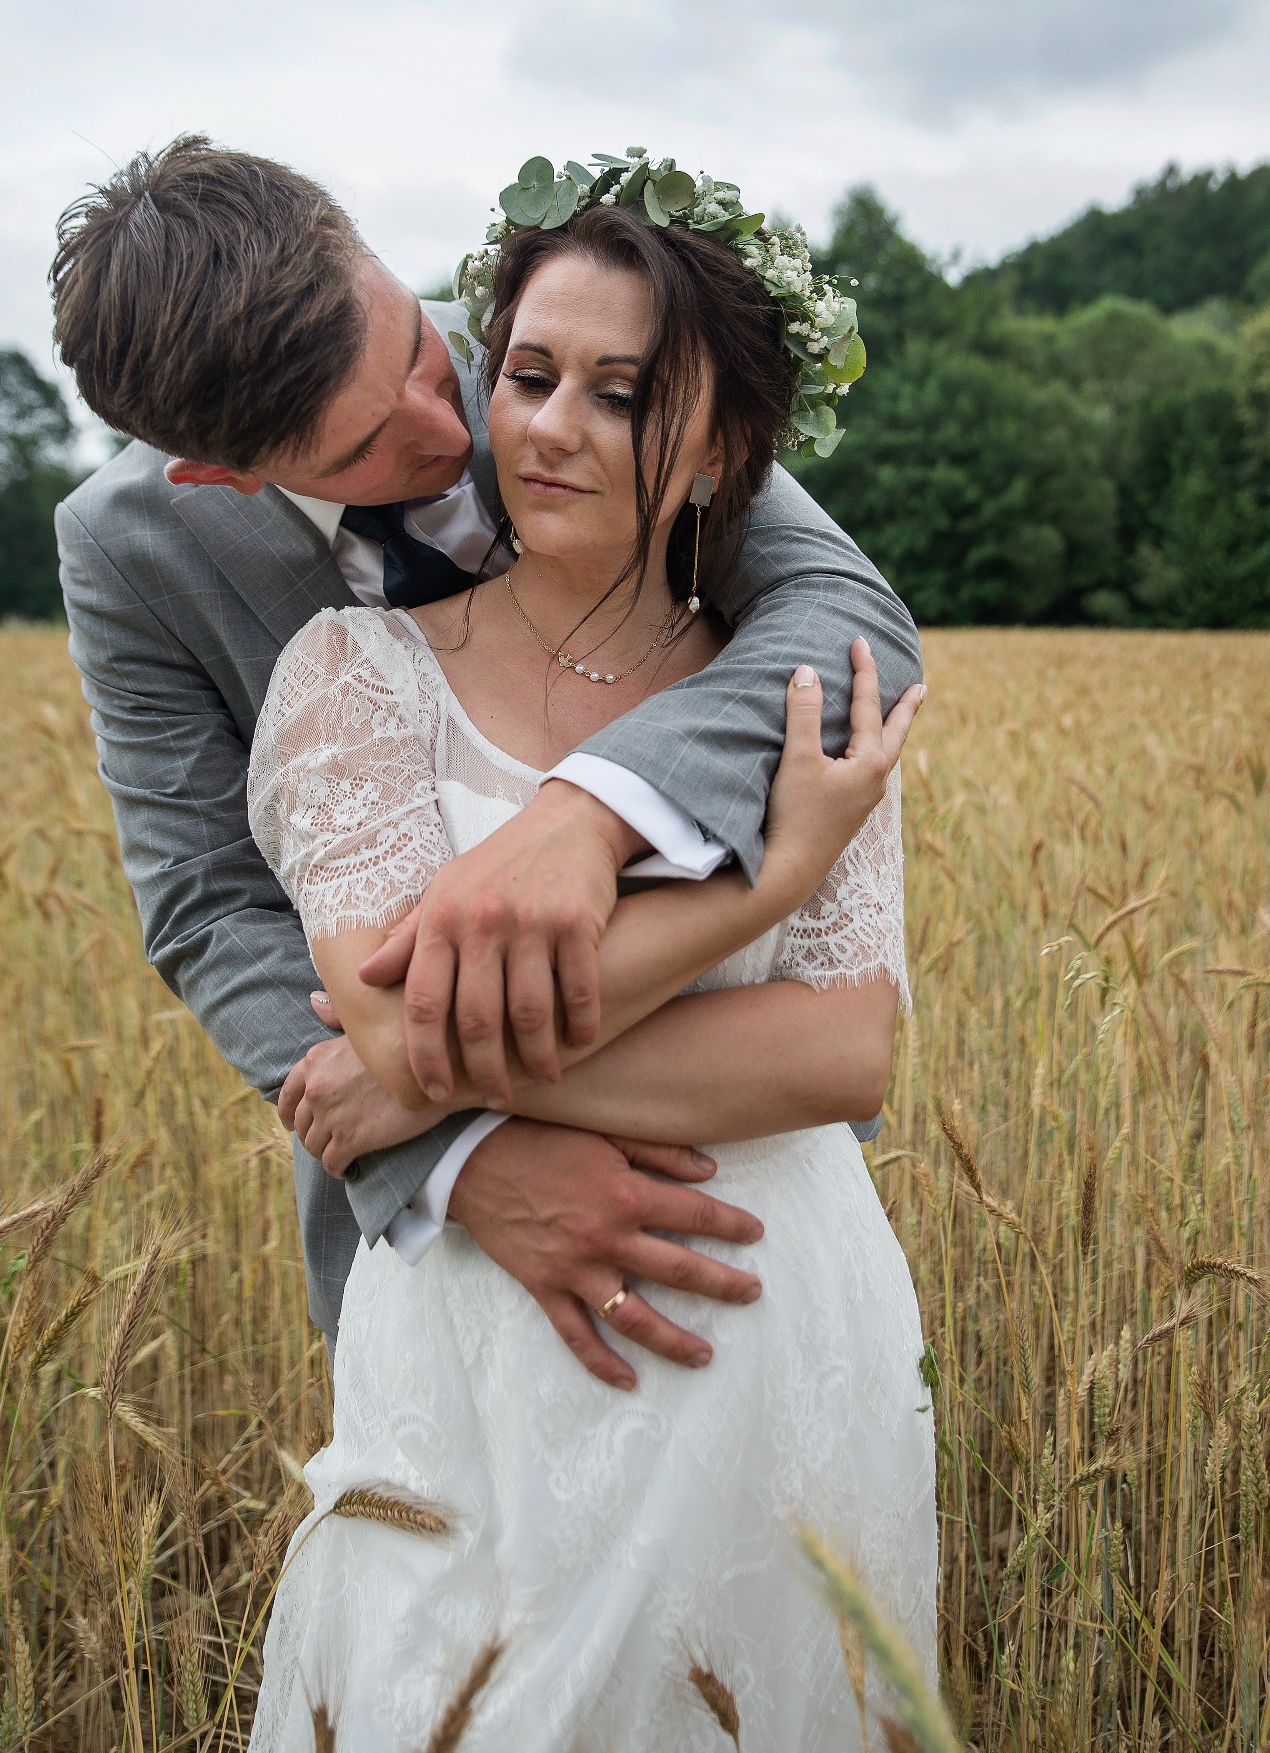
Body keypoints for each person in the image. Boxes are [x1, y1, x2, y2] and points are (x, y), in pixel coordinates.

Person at [240, 197, 934, 1753]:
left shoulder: (802, 696)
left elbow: (839, 1052)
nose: (547, 427)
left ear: (721, 453)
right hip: (472, 1346)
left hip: (770, 1325)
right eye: (527, 372)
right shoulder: (353, 678)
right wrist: (763, 881)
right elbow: (388, 1015)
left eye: (620, 394)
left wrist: (422, 1072)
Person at [52, 136, 923, 1383]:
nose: (450, 423)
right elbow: (204, 899)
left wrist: (588, 814)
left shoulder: (555, 342)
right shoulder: (131, 548)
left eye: (416, 347)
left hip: (752, 1229)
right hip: (447, 1263)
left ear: (367, 254)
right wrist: (454, 1153)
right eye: (360, 447)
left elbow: (845, 616)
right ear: (220, 476)